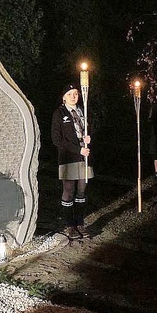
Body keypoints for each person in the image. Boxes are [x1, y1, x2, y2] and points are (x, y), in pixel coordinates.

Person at [51, 83, 93, 239]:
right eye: (70, 94)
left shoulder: (83, 111)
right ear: (64, 97)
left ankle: (79, 222)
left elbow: (87, 129)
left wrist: (88, 138)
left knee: (82, 190)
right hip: (69, 157)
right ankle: (69, 224)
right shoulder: (59, 113)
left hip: (84, 156)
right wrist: (77, 149)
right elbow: (57, 139)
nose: (74, 96)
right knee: (69, 191)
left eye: (76, 93)